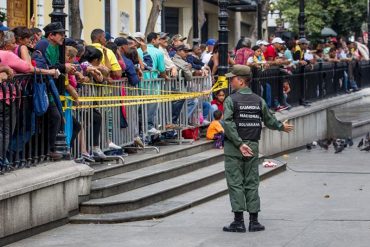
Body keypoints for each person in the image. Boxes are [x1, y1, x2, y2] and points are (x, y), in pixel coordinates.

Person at [222, 65, 293, 233]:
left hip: (235, 147)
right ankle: (254, 221)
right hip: (252, 145)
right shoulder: (258, 100)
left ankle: (238, 222)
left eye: (232, 78)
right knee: (252, 181)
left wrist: (239, 144)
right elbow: (269, 120)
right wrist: (281, 127)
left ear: (241, 80)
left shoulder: (231, 100)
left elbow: (228, 124)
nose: (230, 82)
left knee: (235, 182)